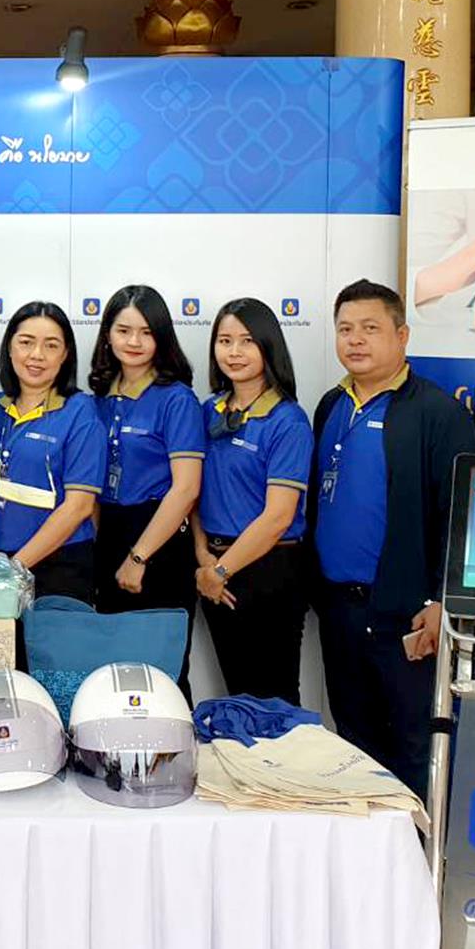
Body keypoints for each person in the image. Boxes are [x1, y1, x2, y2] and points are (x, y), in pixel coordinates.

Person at [309, 280, 475, 800]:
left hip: (406, 616)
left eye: (370, 328)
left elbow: (461, 516)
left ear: (402, 336)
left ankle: (419, 845)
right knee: (354, 743)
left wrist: (440, 600)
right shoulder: (331, 405)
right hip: (339, 611)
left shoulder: (436, 413)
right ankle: (368, 845)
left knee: (414, 745)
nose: (355, 340)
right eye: (345, 329)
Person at [190, 299, 312, 705]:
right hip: (214, 566)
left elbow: (278, 516)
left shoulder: (287, 420)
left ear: (268, 346)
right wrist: (203, 556)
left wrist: (221, 569)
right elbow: (192, 490)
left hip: (269, 569)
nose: (234, 352)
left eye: (246, 341)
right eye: (225, 341)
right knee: (238, 694)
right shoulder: (209, 410)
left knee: (275, 698)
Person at [88, 286, 204, 626]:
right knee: (111, 653)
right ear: (107, 335)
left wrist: (138, 557)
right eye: (123, 331)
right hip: (109, 533)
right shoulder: (99, 398)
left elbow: (186, 489)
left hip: (159, 540)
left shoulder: (176, 399)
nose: (134, 342)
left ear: (162, 338)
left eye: (146, 333)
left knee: (161, 655)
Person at [0, 301, 106, 602]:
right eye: (26, 342)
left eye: (51, 345)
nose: (37, 355)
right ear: (9, 348)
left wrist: (15, 568)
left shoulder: (80, 412)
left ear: (66, 354)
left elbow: (79, 506)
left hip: (60, 566)